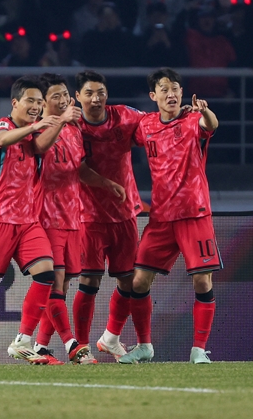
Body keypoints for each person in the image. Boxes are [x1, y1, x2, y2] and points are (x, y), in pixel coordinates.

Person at [0, 75, 78, 366]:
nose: (37, 106)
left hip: (28, 221)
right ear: (15, 103)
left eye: (40, 102)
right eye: (31, 100)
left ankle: (23, 341)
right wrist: (36, 125)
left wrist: (60, 121)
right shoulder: (4, 125)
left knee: (46, 274)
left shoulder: (32, 136)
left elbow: (40, 147)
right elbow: (0, 139)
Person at [118, 67, 221, 364]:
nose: (171, 93)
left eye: (175, 88)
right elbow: (122, 135)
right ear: (153, 96)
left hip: (194, 213)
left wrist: (206, 111)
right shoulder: (145, 125)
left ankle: (199, 350)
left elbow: (210, 124)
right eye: (164, 89)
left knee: (202, 281)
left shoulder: (192, 120)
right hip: (161, 217)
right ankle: (144, 346)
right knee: (138, 282)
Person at [32, 73, 125, 365]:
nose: (63, 101)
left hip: (73, 217)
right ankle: (74, 347)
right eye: (55, 96)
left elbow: (79, 168)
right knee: (54, 282)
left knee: (63, 284)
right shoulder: (37, 128)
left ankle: (40, 347)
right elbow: (40, 150)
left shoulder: (73, 129)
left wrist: (106, 183)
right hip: (46, 216)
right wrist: (59, 120)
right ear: (43, 102)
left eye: (64, 95)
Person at [73, 70, 145, 360]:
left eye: (100, 92)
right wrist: (106, 183)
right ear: (77, 97)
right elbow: (75, 169)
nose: (95, 98)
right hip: (88, 216)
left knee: (129, 282)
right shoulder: (72, 126)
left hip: (125, 214)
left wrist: (183, 115)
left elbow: (156, 125)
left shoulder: (125, 117)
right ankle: (80, 346)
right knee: (89, 282)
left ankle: (111, 337)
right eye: (89, 93)